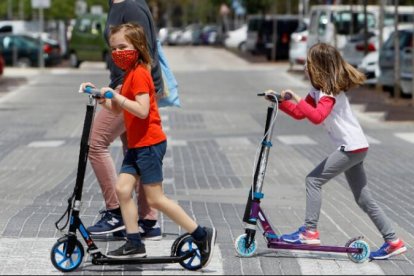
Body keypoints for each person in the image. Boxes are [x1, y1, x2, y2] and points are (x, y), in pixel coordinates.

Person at [81, 23, 217, 264]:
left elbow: (142, 111)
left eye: (123, 47)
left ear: (138, 46)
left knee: (155, 199)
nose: (117, 53)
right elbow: (117, 108)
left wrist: (117, 96)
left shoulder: (141, 74)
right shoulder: (130, 74)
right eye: (114, 49)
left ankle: (201, 233)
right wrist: (101, 97)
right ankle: (134, 243)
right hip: (137, 145)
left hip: (150, 144)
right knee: (123, 190)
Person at [272, 43, 407, 260]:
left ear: (318, 66)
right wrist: (280, 102)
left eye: (308, 63)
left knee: (313, 180)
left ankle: (309, 232)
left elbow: (317, 117)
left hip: (351, 148)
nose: (305, 67)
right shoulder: (317, 90)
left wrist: (295, 97)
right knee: (364, 199)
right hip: (356, 146)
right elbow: (300, 114)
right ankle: (393, 241)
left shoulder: (329, 91)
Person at [86, 0, 163, 239]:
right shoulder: (117, 4)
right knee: (135, 149)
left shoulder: (131, 7)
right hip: (121, 88)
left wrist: (122, 95)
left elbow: (143, 56)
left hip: (128, 89)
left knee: (95, 143)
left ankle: (116, 212)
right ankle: (147, 221)